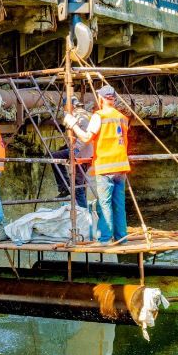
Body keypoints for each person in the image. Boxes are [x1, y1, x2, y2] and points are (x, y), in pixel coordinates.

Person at [65, 85, 130, 244]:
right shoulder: (122, 117)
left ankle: (105, 239)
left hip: (105, 165)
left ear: (100, 99)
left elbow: (87, 138)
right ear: (113, 99)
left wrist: (72, 124)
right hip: (120, 166)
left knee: (104, 204)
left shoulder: (99, 116)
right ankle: (122, 237)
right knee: (118, 204)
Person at [51, 97, 93, 209]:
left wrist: (75, 150)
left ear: (69, 106)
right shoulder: (82, 114)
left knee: (78, 187)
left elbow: (84, 135)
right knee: (55, 157)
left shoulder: (80, 116)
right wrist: (65, 147)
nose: (63, 109)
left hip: (82, 155)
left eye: (64, 106)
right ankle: (65, 187)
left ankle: (84, 215)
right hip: (85, 152)